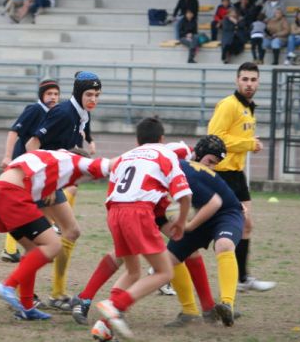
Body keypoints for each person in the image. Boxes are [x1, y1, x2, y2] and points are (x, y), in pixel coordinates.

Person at [93, 117, 192, 340]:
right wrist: (181, 221)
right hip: (137, 213)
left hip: (114, 213)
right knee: (164, 272)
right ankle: (117, 304)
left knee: (133, 271)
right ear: (162, 139)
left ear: (138, 141)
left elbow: (113, 191)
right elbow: (185, 196)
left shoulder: (125, 156)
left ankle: (104, 325)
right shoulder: (166, 153)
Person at [0, 149, 113, 321]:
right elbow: (108, 164)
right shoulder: (73, 162)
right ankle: (8, 285)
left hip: (0, 192)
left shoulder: (53, 158)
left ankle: (27, 308)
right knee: (53, 245)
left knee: (33, 250)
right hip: (11, 194)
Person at [25, 72, 102, 311]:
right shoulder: (63, 112)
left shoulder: (82, 115)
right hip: (38, 182)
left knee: (71, 232)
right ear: (79, 94)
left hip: (50, 182)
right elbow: (32, 145)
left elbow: (61, 149)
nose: (93, 99)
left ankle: (57, 293)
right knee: (36, 243)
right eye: (89, 94)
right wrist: (46, 183)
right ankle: (23, 293)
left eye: (97, 95)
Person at [208, 62, 276, 293]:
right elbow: (215, 138)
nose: (249, 84)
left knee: (246, 225)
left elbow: (236, 135)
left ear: (258, 82)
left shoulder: (248, 107)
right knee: (204, 229)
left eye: (253, 80)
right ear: (237, 80)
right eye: (245, 79)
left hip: (236, 174)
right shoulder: (228, 105)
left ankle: (242, 278)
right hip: (221, 173)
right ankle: (166, 270)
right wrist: (248, 144)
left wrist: (248, 143)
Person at [164, 138, 244, 328]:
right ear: (197, 154)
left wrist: (189, 227)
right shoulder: (178, 168)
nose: (212, 168)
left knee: (224, 244)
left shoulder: (188, 171)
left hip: (226, 213)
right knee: (168, 260)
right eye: (209, 162)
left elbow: (215, 202)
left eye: (215, 164)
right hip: (200, 215)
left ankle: (227, 305)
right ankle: (189, 311)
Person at [0, 79, 60, 263]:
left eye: (56, 94)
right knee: (29, 205)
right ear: (41, 95)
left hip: (36, 166)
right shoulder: (35, 110)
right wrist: (7, 156)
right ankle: (50, 232)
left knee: (35, 204)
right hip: (23, 166)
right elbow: (13, 132)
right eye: (49, 94)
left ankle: (13, 247)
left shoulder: (53, 114)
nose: (53, 97)